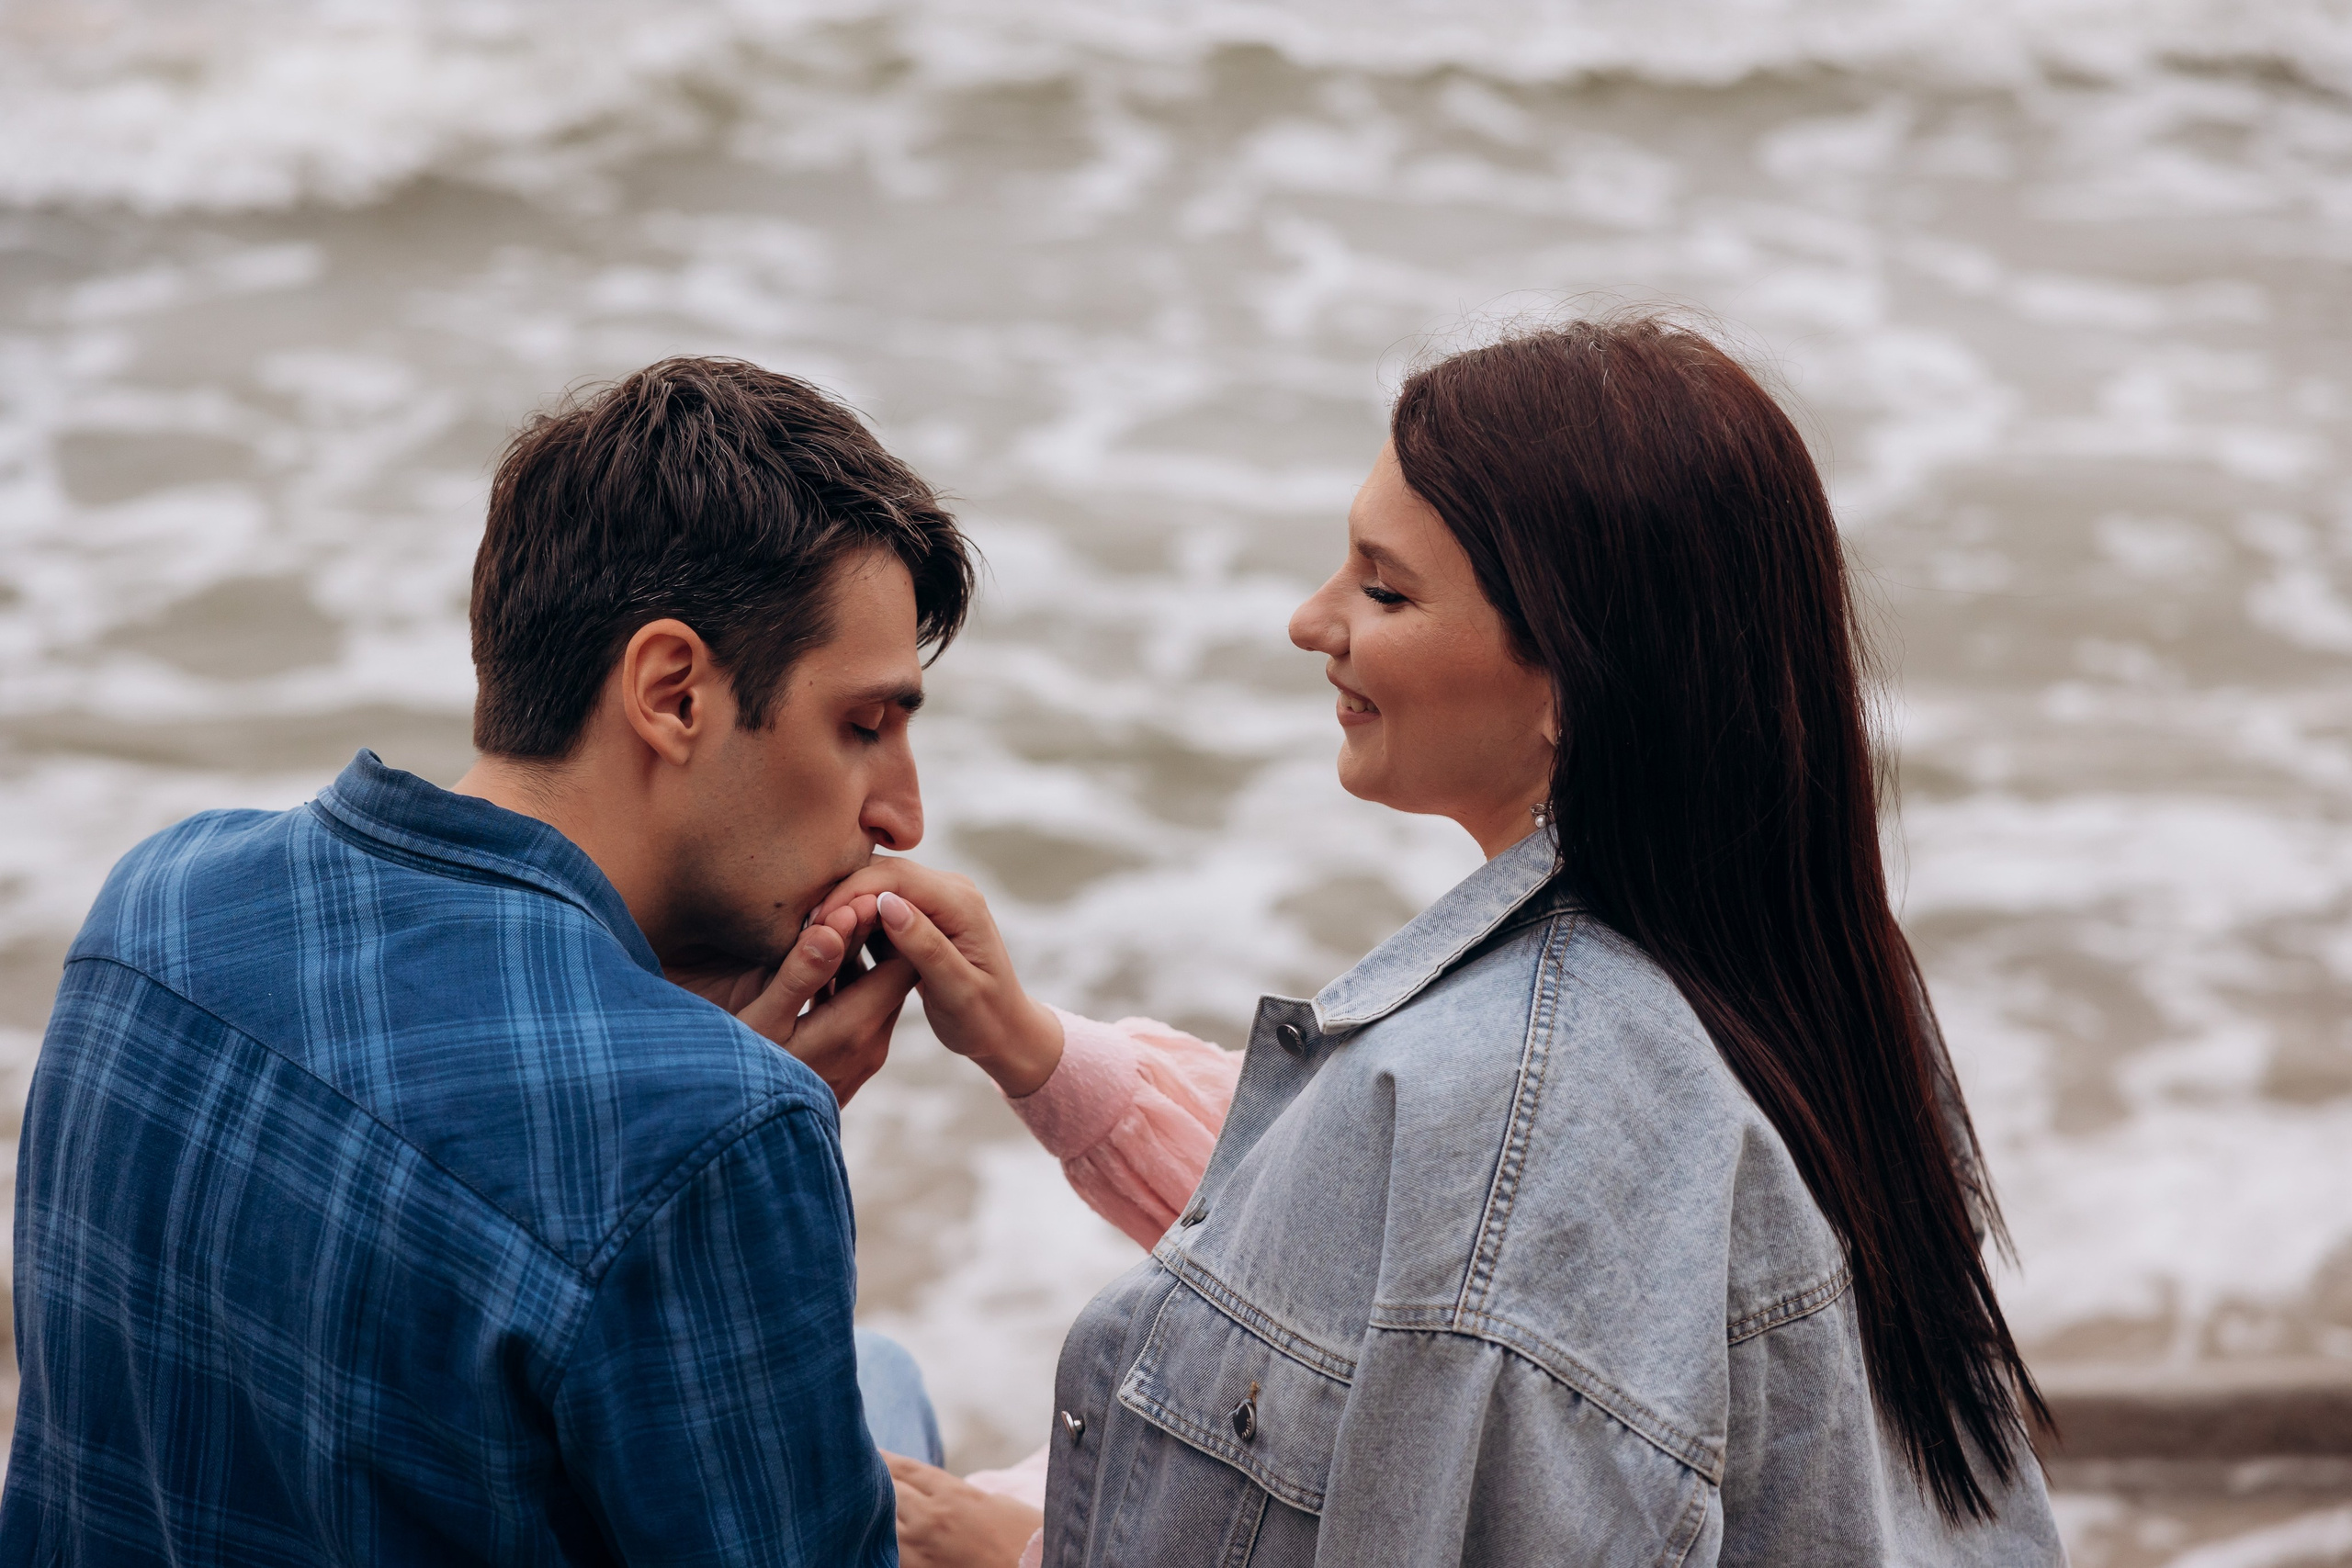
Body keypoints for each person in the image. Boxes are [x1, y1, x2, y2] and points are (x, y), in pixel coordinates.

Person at [831, 316, 2066, 1565]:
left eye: (1384, 587)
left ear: (1573, 682)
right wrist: (1039, 1055)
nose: (1313, 622)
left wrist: (1023, 1554)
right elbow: (1388, 1255)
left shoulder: (1511, 1109)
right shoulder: (1815, 975)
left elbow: (1475, 1249)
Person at [2, 357, 973, 1563]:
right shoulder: (711, 1132)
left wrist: (693, 1081)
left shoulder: (157, 904)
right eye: (865, 727)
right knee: (888, 1397)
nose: (904, 817)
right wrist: (745, 1141)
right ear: (673, 693)